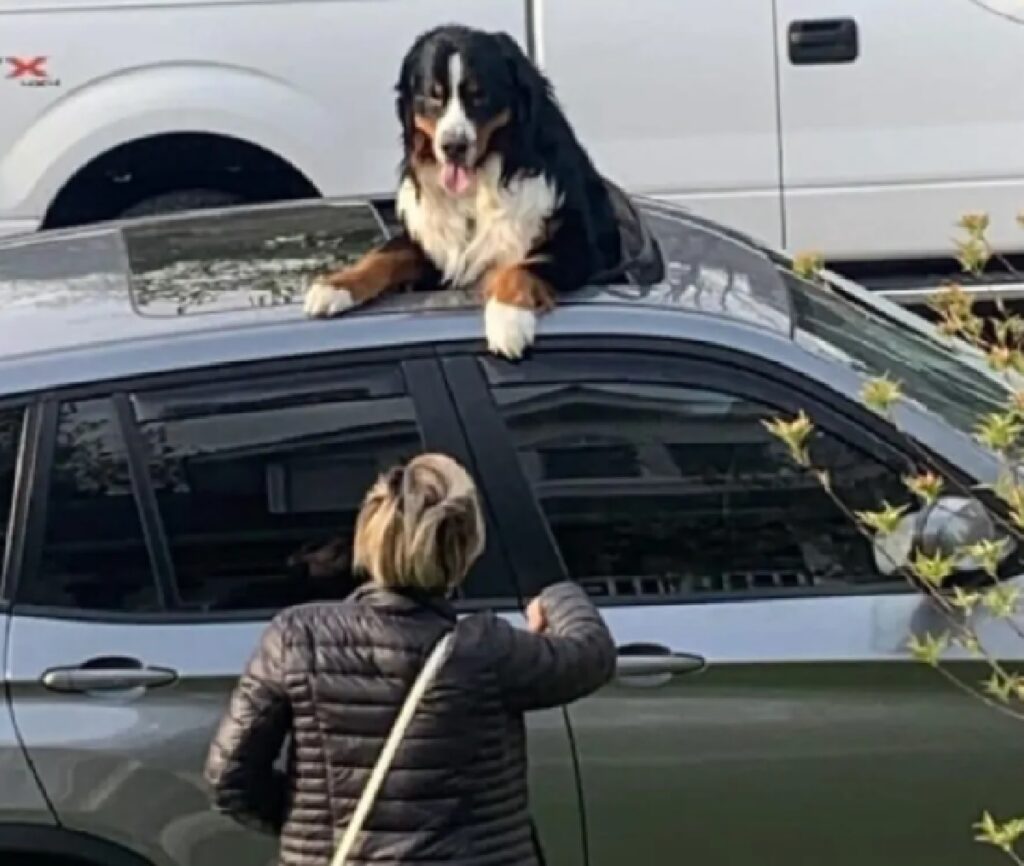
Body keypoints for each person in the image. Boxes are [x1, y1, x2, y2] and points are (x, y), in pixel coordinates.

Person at [204, 452, 616, 866]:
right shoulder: (486, 648)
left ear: (368, 535)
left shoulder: (296, 637)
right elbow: (592, 654)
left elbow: (228, 779)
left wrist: (314, 830)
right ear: (466, 547)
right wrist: (557, 595)